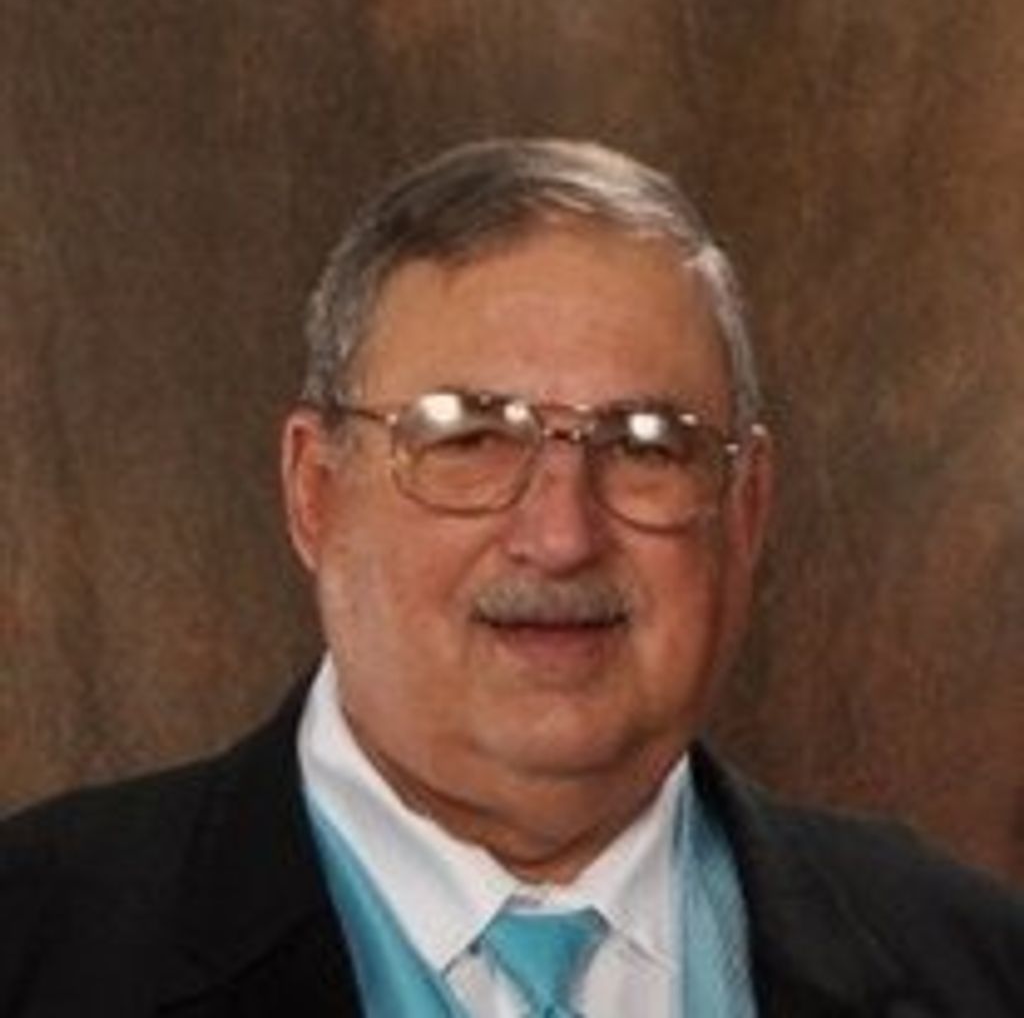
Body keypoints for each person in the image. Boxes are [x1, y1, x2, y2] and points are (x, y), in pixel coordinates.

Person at [1, 139, 1021, 1018]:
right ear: (316, 491)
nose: (561, 535)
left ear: (745, 510)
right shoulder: (36, 947)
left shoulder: (979, 966)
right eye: (469, 438)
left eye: (646, 445)